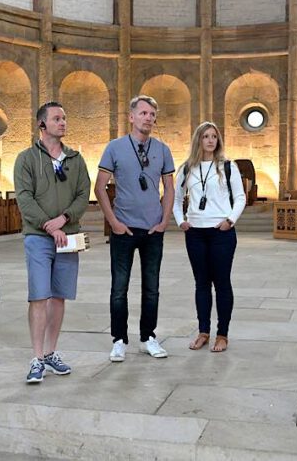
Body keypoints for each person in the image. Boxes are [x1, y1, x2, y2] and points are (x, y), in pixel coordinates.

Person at [94, 95, 175, 362]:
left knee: (152, 287)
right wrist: (113, 223)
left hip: (153, 230)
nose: (148, 118)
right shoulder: (115, 148)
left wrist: (164, 221)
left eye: (152, 114)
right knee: (120, 287)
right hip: (124, 229)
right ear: (131, 117)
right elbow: (100, 187)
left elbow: (170, 187)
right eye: (143, 113)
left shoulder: (162, 149)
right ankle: (119, 340)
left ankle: (148, 337)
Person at [14, 101, 90, 383]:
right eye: (57, 118)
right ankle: (35, 358)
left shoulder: (76, 159)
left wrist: (65, 219)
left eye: (64, 118)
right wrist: (49, 224)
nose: (63, 122)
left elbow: (83, 194)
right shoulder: (26, 158)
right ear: (42, 124)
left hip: (68, 236)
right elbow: (24, 197)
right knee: (39, 296)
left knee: (58, 297)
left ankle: (50, 352)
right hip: (38, 237)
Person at [173, 122, 246, 353]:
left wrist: (230, 220)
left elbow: (241, 197)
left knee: (222, 283)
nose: (210, 140)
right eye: (206, 136)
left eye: (214, 136)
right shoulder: (187, 168)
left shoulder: (227, 166)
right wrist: (180, 221)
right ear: (198, 140)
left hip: (220, 232)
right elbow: (175, 199)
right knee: (201, 284)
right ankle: (203, 331)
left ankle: (222, 334)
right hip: (195, 232)